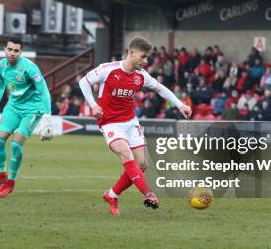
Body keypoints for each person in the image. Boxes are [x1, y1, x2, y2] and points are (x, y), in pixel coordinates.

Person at [78, 36, 192, 216]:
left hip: (131, 122)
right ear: (131, 53)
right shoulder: (108, 69)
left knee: (142, 164)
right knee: (126, 154)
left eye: (147, 58)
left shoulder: (141, 76)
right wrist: (93, 105)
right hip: (110, 122)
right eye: (143, 56)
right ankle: (149, 194)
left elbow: (160, 88)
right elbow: (83, 82)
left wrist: (180, 105)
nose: (145, 61)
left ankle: (112, 194)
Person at [0, 37, 54, 198]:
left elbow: (44, 91)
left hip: (32, 110)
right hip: (13, 107)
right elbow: (1, 85)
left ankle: (11, 182)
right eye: (10, 49)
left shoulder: (30, 68)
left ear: (21, 52)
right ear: (5, 49)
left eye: (16, 50)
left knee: (16, 144)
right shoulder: (1, 65)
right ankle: (2, 175)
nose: (12, 53)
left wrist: (47, 119)